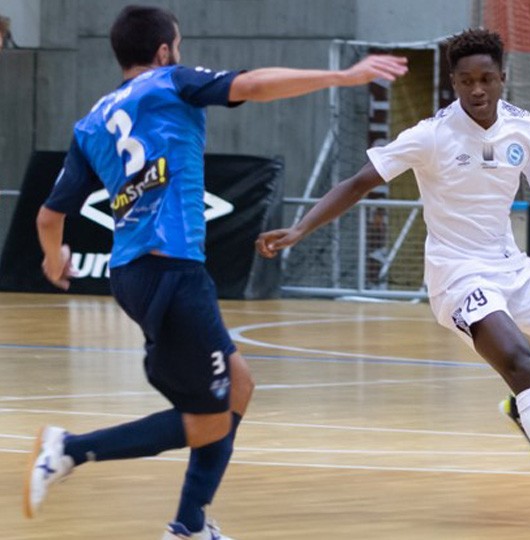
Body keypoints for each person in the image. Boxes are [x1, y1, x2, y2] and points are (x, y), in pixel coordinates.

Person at [25, 5, 406, 539]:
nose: (180, 54)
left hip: (133, 274)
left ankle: (189, 525)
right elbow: (253, 85)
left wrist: (52, 257)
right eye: (178, 46)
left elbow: (48, 216)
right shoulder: (170, 82)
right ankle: (68, 450)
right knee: (208, 420)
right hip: (171, 271)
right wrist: (343, 76)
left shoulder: (92, 122)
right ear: (163, 51)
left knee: (240, 386)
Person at [256, 28, 530, 529]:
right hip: (458, 277)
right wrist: (301, 228)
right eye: (464, 81)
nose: (476, 90)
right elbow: (357, 183)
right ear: (453, 84)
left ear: (502, 78)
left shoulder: (526, 131)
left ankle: (526, 409)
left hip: (513, 268)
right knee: (520, 361)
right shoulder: (430, 136)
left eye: (485, 79)